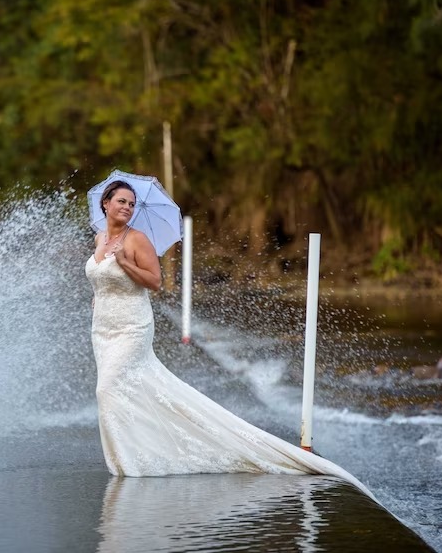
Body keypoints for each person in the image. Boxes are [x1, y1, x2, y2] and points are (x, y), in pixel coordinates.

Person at [84, 180, 376, 500]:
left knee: (106, 388)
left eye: (131, 203)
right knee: (126, 391)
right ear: (105, 204)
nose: (127, 207)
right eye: (121, 202)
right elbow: (100, 278)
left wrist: (126, 264)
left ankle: (132, 459)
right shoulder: (100, 238)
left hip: (131, 327)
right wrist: (99, 296)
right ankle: (135, 451)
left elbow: (154, 282)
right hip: (103, 330)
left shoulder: (137, 240)